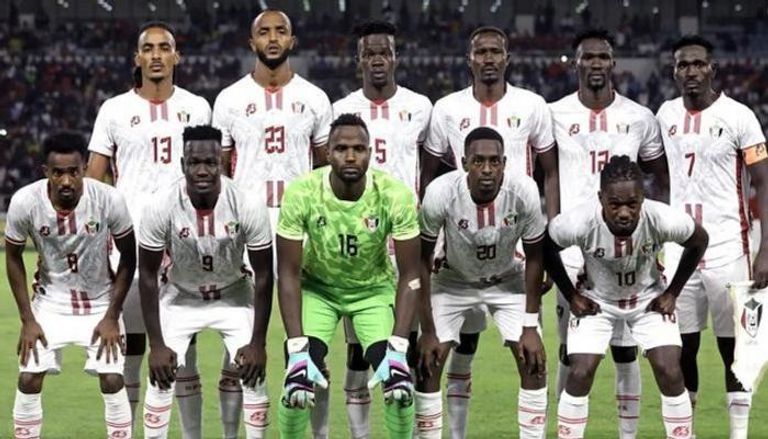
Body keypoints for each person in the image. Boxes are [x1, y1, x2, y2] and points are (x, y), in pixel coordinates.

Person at [421, 26, 559, 436]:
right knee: (433, 358)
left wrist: (549, 250)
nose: (488, 58)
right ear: (470, 58)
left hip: (511, 261)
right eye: (480, 51)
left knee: (533, 357)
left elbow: (550, 171)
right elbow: (428, 173)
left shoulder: (532, 105)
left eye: (495, 51)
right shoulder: (447, 109)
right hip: (455, 262)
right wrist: (439, 243)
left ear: (507, 57)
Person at [85, 21, 212, 436]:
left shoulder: (198, 107)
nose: (156, 55)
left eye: (164, 47)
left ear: (177, 56)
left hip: (184, 244)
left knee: (185, 348)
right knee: (130, 346)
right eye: (148, 48)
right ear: (137, 58)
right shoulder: (114, 110)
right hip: (129, 244)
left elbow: (212, 175)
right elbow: (93, 181)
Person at [549, 28, 669, 437]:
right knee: (570, 351)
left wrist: (655, 240)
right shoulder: (554, 114)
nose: (595, 63)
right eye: (588, 57)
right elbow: (547, 175)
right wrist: (550, 236)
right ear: (576, 63)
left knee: (626, 349)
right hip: (571, 249)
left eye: (602, 57)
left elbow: (660, 178)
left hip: (628, 250)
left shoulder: (640, 117)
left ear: (613, 63)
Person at [276, 113, 421, 439]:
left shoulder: (395, 195)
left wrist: (399, 347)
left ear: (371, 153)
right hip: (318, 291)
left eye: (359, 149)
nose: (351, 156)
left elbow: (411, 274)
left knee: (399, 385)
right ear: (327, 153)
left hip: (372, 293)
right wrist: (296, 349)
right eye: (341, 149)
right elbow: (287, 273)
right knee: (298, 383)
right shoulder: (302, 192)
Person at [546, 156, 708, 439]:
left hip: (647, 300)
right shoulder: (578, 221)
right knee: (580, 372)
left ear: (643, 197)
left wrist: (673, 292)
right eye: (615, 204)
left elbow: (699, 240)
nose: (624, 213)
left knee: (670, 370)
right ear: (601, 198)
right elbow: (545, 248)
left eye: (632, 204)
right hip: (597, 302)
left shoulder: (661, 217)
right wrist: (571, 295)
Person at [656, 35, 768, 439]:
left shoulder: (740, 116)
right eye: (682, 65)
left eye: (698, 64)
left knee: (733, 349)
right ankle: (684, 432)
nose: (691, 71)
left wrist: (765, 251)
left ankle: (738, 434)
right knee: (680, 348)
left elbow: (763, 182)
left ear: (712, 69)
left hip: (729, 249)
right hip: (679, 250)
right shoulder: (665, 114)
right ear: (674, 71)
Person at [330, 20, 432, 439]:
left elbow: (431, 172)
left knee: (407, 347)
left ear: (395, 58)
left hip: (405, 242)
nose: (377, 59)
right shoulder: (340, 109)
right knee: (358, 352)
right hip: (360, 247)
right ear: (358, 60)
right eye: (369, 53)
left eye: (384, 52)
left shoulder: (420, 107)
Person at [139, 126, 274, 439]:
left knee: (253, 373)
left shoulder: (247, 203)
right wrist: (156, 345)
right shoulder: (161, 204)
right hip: (180, 295)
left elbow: (265, 274)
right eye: (194, 162)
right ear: (182, 164)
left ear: (222, 163)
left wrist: (258, 343)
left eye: (210, 163)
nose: (202, 170)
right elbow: (147, 274)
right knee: (160, 377)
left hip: (233, 294)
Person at [415, 127, 548, 439]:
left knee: (534, 360)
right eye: (478, 161)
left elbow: (535, 258)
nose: (486, 169)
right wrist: (428, 331)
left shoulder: (524, 190)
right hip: (452, 281)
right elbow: (421, 260)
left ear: (504, 163)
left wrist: (530, 327)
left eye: (494, 161)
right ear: (464, 163)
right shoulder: (440, 192)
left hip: (507, 281)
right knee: (427, 363)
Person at [7, 132, 136, 439]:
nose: (66, 181)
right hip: (49, 303)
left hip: (101, 302)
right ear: (46, 172)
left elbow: (129, 256)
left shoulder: (108, 199)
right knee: (29, 378)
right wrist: (28, 320)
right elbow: (12, 257)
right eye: (58, 173)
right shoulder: (25, 201)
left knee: (112, 379)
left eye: (73, 172)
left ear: (84, 169)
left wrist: (112, 316)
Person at [213, 8, 333, 228]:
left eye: (281, 31)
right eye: (264, 32)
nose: (273, 38)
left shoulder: (315, 98)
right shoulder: (229, 99)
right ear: (252, 43)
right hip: (246, 218)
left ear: (292, 41)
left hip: (300, 217)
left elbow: (325, 166)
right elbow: (221, 166)